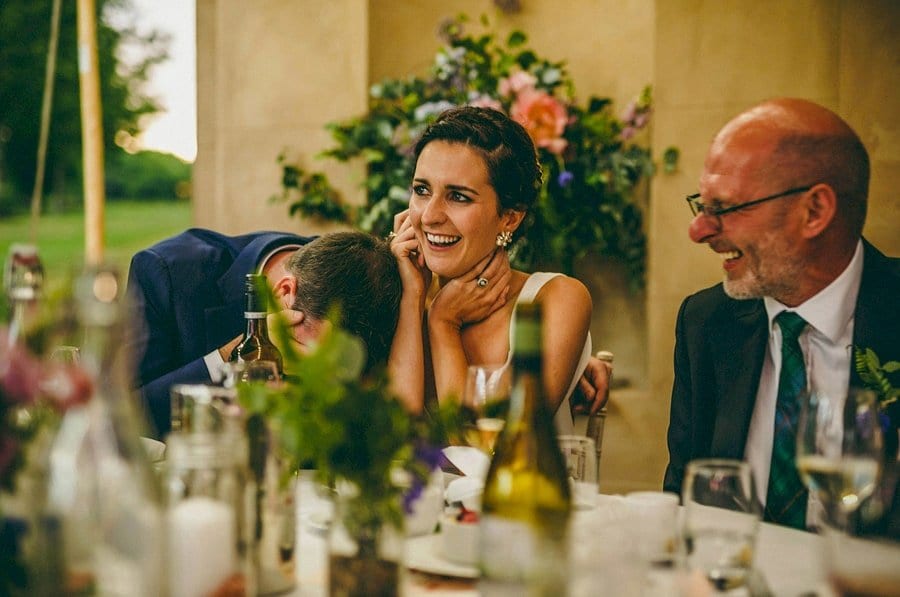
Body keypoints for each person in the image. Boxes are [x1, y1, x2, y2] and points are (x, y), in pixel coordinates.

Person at [663, 98, 899, 529]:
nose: (699, 230)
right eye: (704, 205)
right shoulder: (707, 322)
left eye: (727, 208)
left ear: (814, 212)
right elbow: (684, 501)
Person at [388, 106, 595, 432]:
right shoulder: (400, 295)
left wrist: (443, 324)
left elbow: (492, 448)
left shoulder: (556, 299)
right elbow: (391, 441)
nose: (429, 216)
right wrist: (411, 298)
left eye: (458, 196)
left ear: (510, 217)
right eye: (422, 190)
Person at [127, 228, 403, 437]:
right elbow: (127, 419)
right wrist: (231, 355)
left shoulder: (367, 287)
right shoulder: (164, 273)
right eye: (306, 352)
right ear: (285, 292)